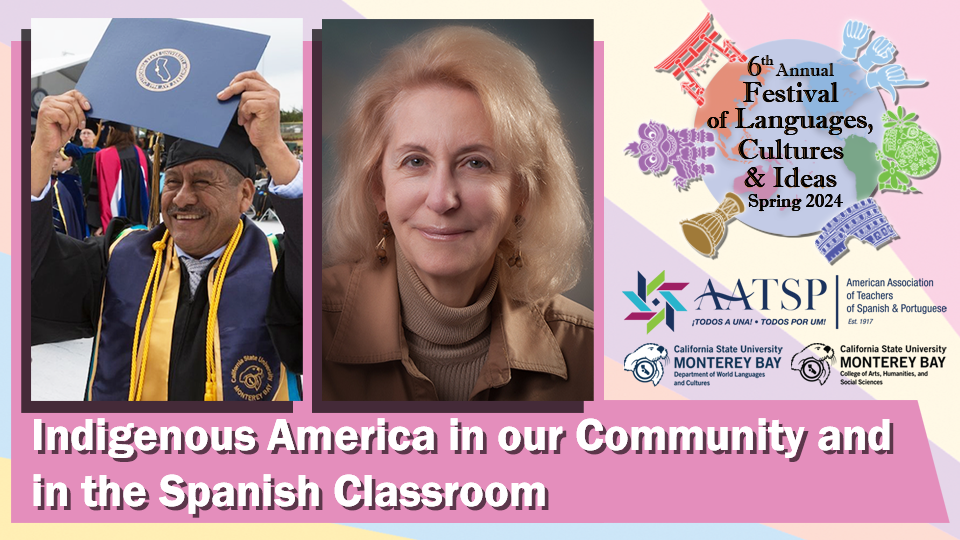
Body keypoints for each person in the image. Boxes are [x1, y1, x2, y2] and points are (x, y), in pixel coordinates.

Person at [322, 26, 593, 401]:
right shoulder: (310, 323)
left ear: (523, 193)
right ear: (378, 190)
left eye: (476, 163)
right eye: (415, 161)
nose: (442, 199)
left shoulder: (596, 356)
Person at [31, 71, 303, 402]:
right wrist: (40, 154)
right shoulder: (120, 258)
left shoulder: (280, 266)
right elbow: (26, 272)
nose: (182, 197)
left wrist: (273, 147)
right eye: (172, 181)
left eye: (203, 182)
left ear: (246, 194)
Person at [92, 121, 151, 233]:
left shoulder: (103, 156)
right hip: (140, 225)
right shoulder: (142, 154)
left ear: (112, 132)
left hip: (112, 225)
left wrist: (97, 224)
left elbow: (96, 192)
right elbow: (149, 189)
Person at [50, 149, 87, 239]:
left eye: (57, 157)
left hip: (63, 240)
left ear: (69, 159)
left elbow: (57, 220)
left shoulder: (64, 185)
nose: (53, 160)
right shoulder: (74, 179)